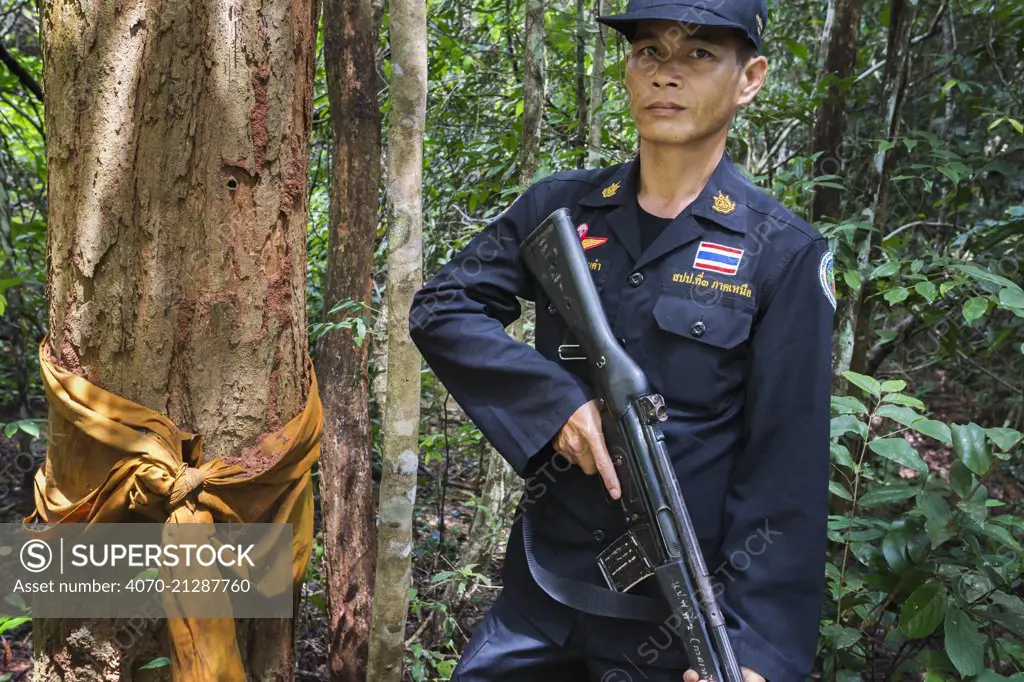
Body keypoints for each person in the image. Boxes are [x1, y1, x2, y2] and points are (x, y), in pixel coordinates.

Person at [408, 0, 835, 679]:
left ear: (749, 78)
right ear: (628, 71)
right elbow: (442, 307)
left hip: (682, 622)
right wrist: (553, 405)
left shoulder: (780, 254)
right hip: (543, 593)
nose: (668, 74)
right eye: (648, 52)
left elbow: (788, 472)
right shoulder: (561, 210)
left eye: (698, 54)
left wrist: (758, 657)